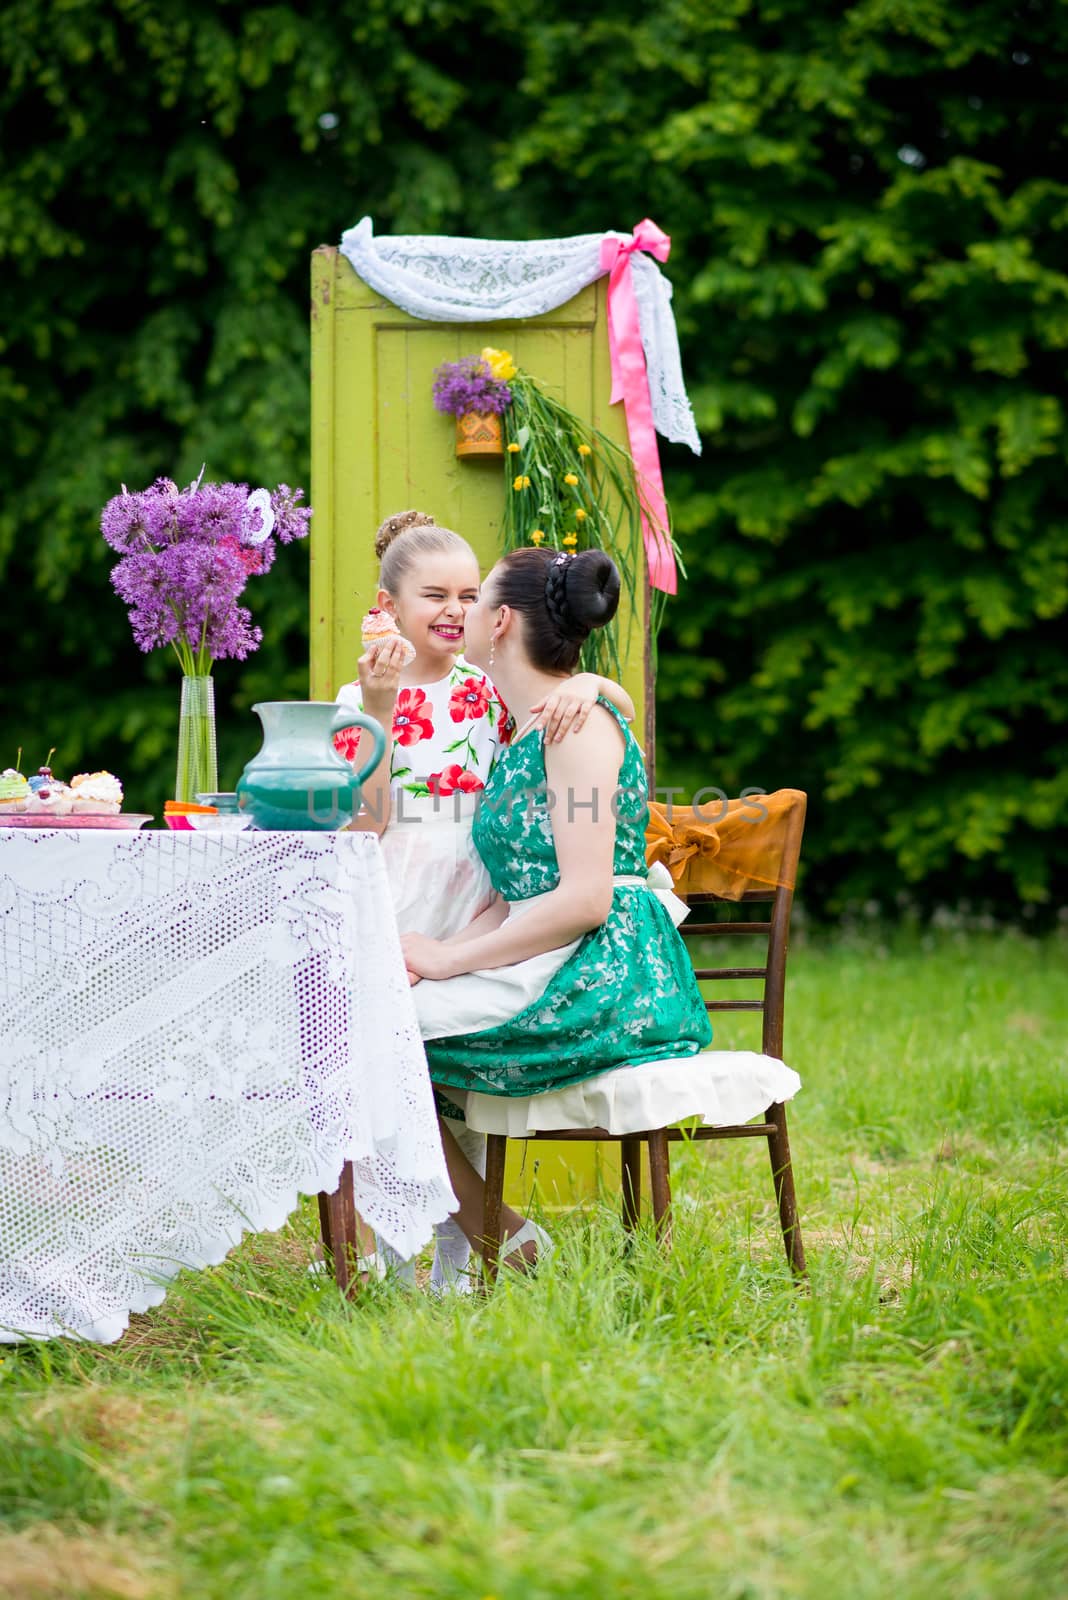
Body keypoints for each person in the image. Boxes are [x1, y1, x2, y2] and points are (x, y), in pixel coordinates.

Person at [334, 513, 636, 1287]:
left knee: (446, 1085)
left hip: (476, 897)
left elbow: (578, 714)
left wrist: (597, 683)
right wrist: (377, 704)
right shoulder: (359, 696)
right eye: (434, 594)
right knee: (389, 1071)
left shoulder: (488, 689)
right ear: (388, 604)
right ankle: (403, 1259)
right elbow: (365, 821)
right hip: (397, 893)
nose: (455, 611)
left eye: (469, 595)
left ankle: (459, 1261)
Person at [401, 547, 713, 1270]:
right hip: (552, 955)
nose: (464, 613)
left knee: (367, 1043)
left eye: (477, 602)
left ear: (501, 622)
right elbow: (523, 893)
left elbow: (583, 898)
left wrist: (448, 959)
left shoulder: (579, 730)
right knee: (363, 1029)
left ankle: (499, 1240)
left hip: (603, 974)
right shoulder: (535, 729)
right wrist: (427, 961)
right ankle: (494, 1238)